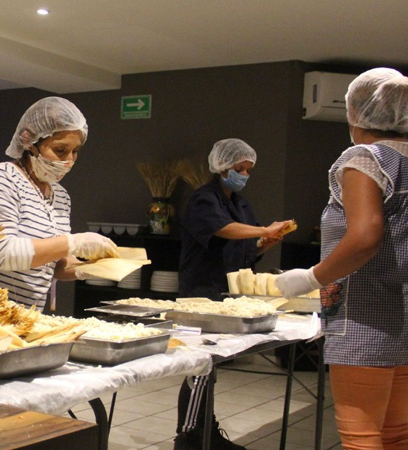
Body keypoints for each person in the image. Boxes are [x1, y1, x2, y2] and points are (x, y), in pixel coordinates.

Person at [277, 68, 408, 449]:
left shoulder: (365, 158)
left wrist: (311, 278)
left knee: (362, 437)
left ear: (354, 110)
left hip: (364, 322)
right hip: (403, 320)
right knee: (398, 436)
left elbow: (366, 236)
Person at [174, 138, 293, 450]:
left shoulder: (240, 203)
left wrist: (264, 243)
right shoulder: (203, 200)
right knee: (199, 364)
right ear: (221, 166)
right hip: (200, 292)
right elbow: (224, 230)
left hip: (226, 295)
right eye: (239, 168)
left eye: (248, 170)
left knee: (210, 367)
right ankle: (189, 437)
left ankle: (205, 432)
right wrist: (264, 230)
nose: (243, 174)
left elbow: (244, 248)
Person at [0, 97, 118, 310]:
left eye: (75, 151)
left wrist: (90, 268)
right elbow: (2, 254)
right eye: (60, 150)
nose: (69, 160)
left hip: (24, 319)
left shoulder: (61, 196)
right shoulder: (0, 178)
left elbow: (53, 264)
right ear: (29, 141)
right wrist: (74, 242)